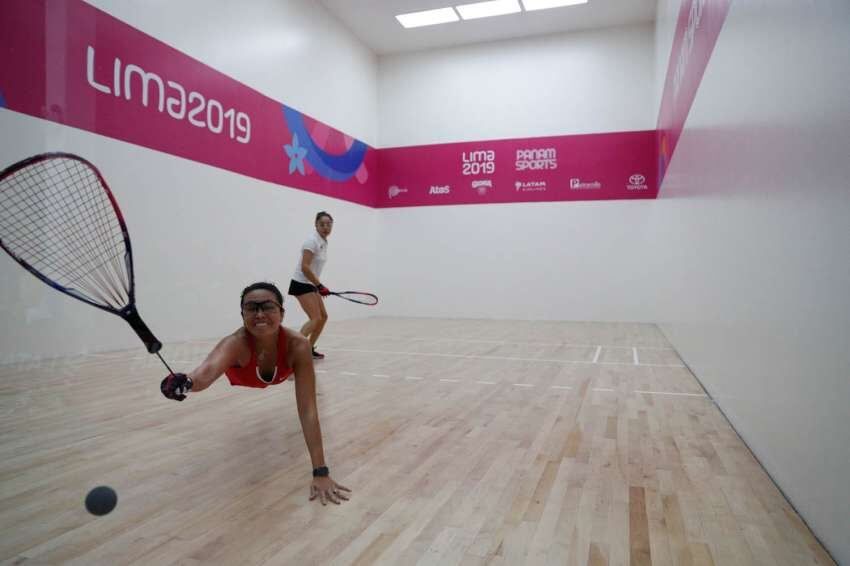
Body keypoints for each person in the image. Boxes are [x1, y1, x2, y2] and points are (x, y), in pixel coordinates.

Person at [160, 281, 351, 505]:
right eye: (251, 308)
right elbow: (205, 373)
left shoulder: (298, 345)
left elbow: (308, 410)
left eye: (268, 306)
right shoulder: (235, 344)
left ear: (281, 312)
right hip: (245, 376)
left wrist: (320, 471)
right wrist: (186, 382)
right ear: (242, 314)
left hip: (282, 370)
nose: (259, 314)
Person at [288, 211, 333, 359]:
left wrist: (317, 286)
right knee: (315, 318)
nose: (326, 227)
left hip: (311, 284)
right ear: (316, 225)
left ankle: (308, 349)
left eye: (328, 224)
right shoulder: (311, 241)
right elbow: (305, 267)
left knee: (323, 317)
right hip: (301, 283)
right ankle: (294, 354)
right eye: (322, 224)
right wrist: (319, 286)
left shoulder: (323, 241)